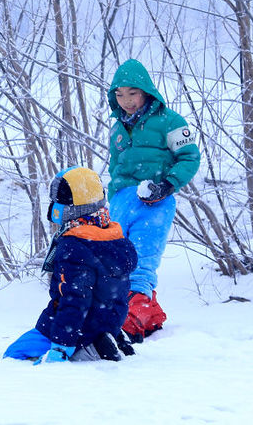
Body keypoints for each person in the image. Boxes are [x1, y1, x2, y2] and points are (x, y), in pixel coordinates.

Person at [106, 59, 201, 341]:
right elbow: (115, 165)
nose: (126, 101)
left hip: (154, 202)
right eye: (119, 95)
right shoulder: (117, 128)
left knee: (141, 260)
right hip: (122, 201)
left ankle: (132, 322)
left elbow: (190, 157)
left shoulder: (171, 122)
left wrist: (167, 185)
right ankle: (145, 314)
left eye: (132, 93)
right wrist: (115, 195)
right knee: (116, 262)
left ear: (146, 91)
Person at [3, 166, 138, 363]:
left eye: (57, 200)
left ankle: (92, 350)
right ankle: (109, 338)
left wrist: (61, 346)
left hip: (72, 328)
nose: (53, 205)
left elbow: (74, 300)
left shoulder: (75, 246)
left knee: (14, 355)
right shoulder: (115, 238)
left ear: (71, 208)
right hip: (108, 321)